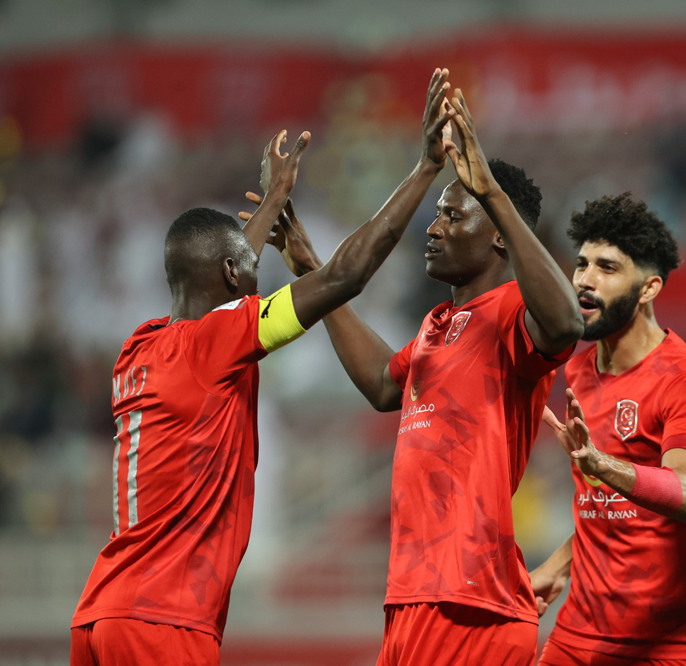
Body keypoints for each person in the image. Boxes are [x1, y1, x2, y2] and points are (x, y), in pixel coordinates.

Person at [70, 68, 457, 666]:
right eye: (249, 269)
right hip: (162, 621)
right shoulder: (220, 342)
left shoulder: (139, 348)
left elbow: (222, 275)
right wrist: (426, 169)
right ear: (231, 278)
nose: (258, 275)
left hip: (100, 611)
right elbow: (344, 277)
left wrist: (273, 202)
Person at [247, 89, 583, 665]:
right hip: (413, 596)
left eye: (454, 215)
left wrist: (493, 193)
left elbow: (566, 323)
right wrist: (310, 268)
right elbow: (383, 383)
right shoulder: (439, 324)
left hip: (473, 606)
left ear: (499, 233)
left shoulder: (511, 315)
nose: (433, 228)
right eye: (436, 215)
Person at [531, 193, 686, 665]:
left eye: (607, 267)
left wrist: (602, 464)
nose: (584, 280)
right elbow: (606, 508)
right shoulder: (578, 370)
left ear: (648, 289)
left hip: (680, 643)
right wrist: (557, 567)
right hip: (583, 633)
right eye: (581, 264)